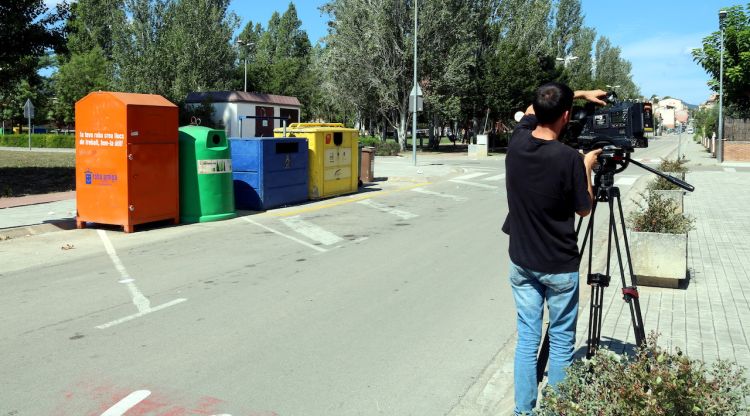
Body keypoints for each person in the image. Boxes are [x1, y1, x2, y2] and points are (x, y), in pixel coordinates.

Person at [502, 82, 606, 415]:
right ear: (566, 116)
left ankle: (523, 411)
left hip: (521, 261)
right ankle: (555, 410)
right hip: (559, 267)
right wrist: (587, 166)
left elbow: (533, 110)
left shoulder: (516, 142)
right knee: (561, 341)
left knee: (527, 340)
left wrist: (574, 96)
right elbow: (584, 209)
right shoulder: (569, 160)